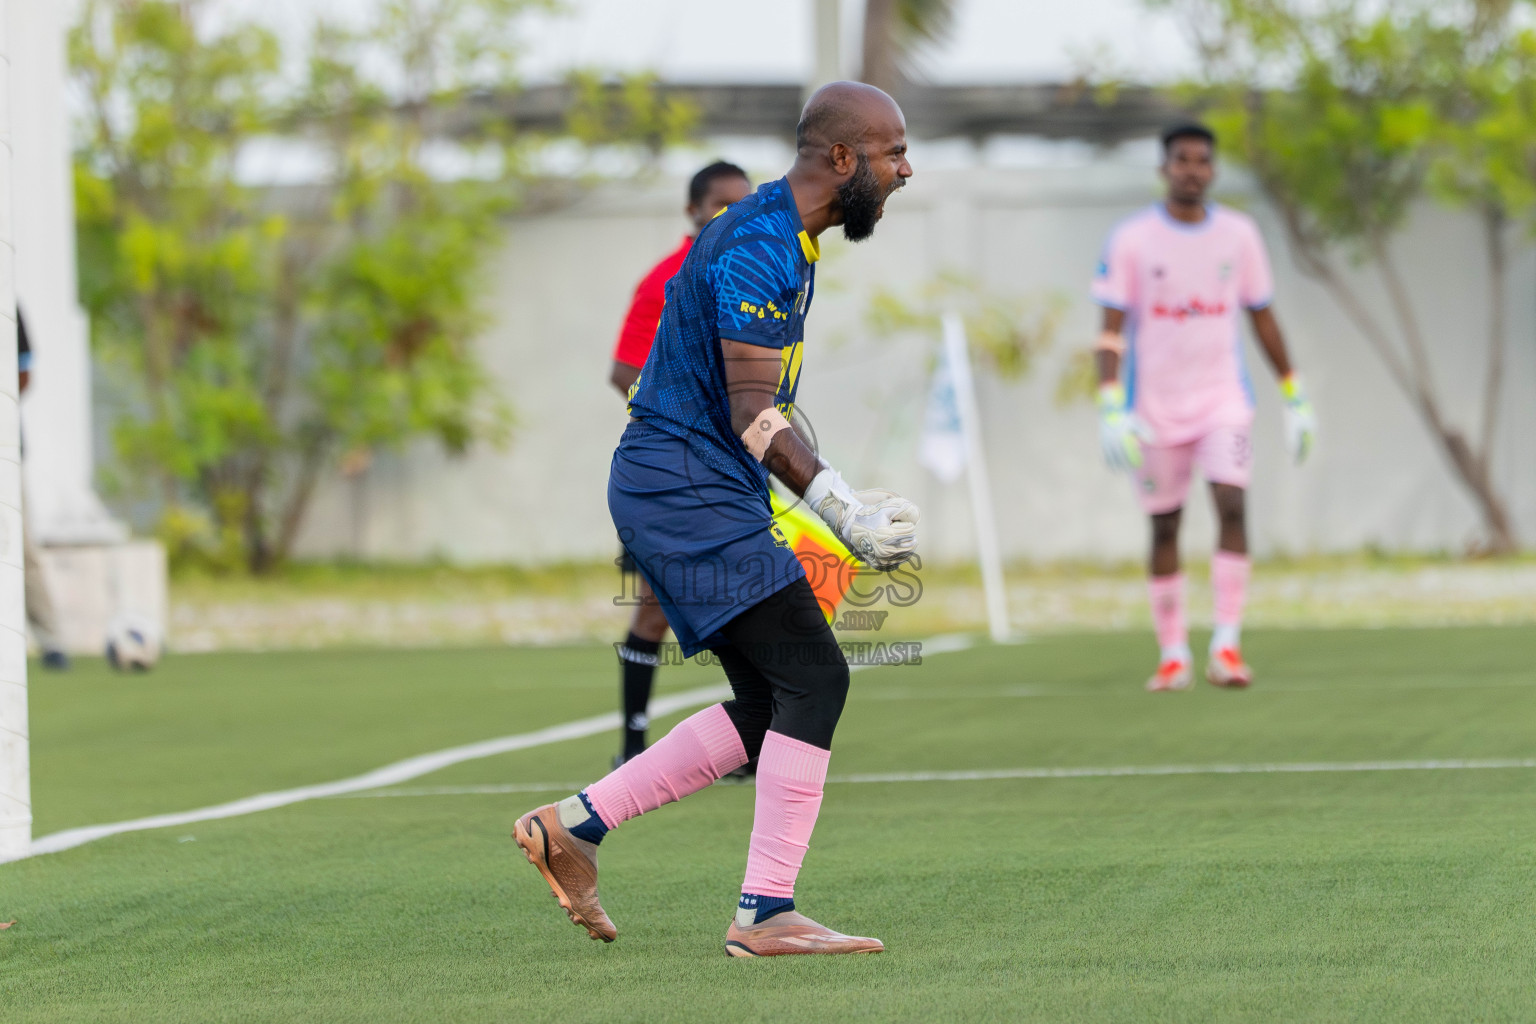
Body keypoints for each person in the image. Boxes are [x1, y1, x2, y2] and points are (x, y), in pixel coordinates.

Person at [514, 81, 918, 958]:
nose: (905, 170)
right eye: (893, 153)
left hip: (694, 485)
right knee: (817, 680)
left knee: (774, 697)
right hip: (684, 486)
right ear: (842, 159)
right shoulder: (763, 242)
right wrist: (842, 510)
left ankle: (575, 826)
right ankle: (765, 912)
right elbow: (750, 411)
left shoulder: (785, 235)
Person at [1092, 123, 1316, 692]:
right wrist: (1111, 405)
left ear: (1213, 170)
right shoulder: (1133, 240)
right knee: (1165, 526)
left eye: (1202, 160)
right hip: (1155, 411)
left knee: (1232, 505)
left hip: (1224, 403)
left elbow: (1261, 314)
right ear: (1165, 168)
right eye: (1181, 159)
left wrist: (1294, 392)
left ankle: (1226, 646)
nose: (1192, 169)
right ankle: (1173, 654)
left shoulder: (1239, 236)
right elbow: (1111, 332)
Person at [607, 161, 753, 769]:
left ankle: (750, 738)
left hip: (732, 467)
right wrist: (682, 422)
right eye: (723, 205)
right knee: (654, 606)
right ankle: (632, 746)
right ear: (693, 210)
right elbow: (623, 371)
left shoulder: (747, 276)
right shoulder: (665, 280)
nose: (733, 216)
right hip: (672, 470)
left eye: (744, 205)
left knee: (747, 594)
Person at [17, 310, 68, 671]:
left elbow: (23, 372)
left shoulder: (6, 301)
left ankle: (51, 640)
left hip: (5, 452)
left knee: (19, 547)